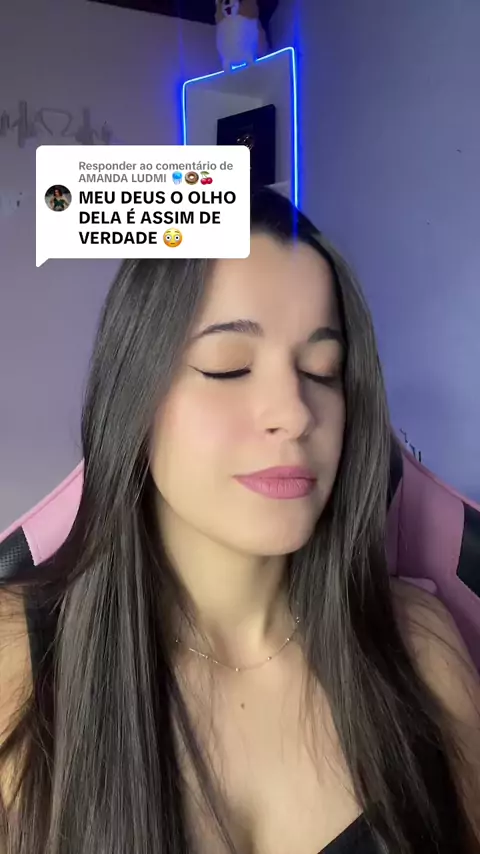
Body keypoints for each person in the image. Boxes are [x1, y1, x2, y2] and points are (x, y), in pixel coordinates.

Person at [0, 188, 479, 854]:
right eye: (229, 367)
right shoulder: (18, 660)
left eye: (323, 371)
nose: (296, 412)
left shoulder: (420, 650)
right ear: (133, 398)